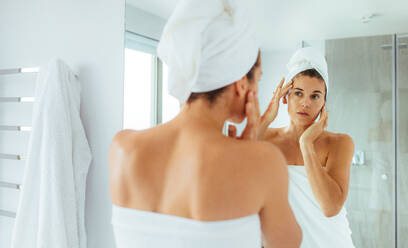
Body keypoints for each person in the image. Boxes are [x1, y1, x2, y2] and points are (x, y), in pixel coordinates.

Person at [109, 0, 302, 247]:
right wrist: (249, 154)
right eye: (258, 80)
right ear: (241, 85)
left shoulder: (122, 147)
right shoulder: (264, 162)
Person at [251, 47, 355, 247]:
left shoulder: (340, 143)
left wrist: (306, 144)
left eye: (315, 96)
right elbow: (234, 162)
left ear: (324, 102)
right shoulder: (265, 138)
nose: (305, 103)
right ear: (285, 97)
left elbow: (330, 207)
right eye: (298, 93)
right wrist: (267, 116)